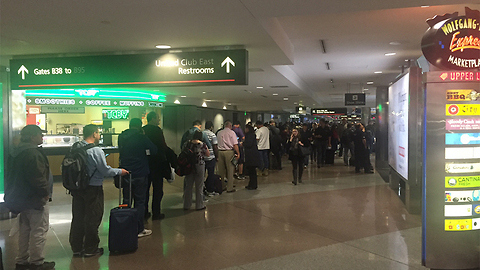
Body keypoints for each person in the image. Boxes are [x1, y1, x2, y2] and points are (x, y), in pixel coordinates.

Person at [68, 124, 128, 258]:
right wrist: (120, 171)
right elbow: (105, 170)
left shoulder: (75, 147)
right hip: (93, 188)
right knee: (92, 217)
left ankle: (76, 247)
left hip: (77, 188)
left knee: (78, 217)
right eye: (98, 133)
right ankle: (90, 248)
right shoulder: (96, 151)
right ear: (94, 134)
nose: (99, 135)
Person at [5, 125, 55, 270]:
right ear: (32, 137)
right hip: (34, 199)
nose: (42, 137)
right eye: (40, 135)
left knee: (24, 230)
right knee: (38, 230)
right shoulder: (33, 154)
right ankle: (37, 262)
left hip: (20, 198)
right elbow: (38, 178)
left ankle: (21, 260)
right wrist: (45, 193)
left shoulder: (16, 152)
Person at [118, 118, 158, 238]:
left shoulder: (122, 136)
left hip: (125, 172)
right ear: (140, 126)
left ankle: (125, 226)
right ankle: (139, 228)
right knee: (140, 201)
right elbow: (154, 150)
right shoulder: (142, 137)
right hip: (140, 172)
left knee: (126, 200)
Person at [142, 111, 169, 220]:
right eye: (157, 118)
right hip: (157, 164)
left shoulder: (143, 130)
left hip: (146, 163)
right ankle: (156, 212)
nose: (158, 120)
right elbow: (163, 146)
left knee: (145, 189)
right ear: (152, 119)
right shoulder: (157, 131)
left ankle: (144, 212)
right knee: (158, 189)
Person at [183, 131, 210, 210]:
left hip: (188, 166)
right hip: (199, 165)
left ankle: (187, 205)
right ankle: (199, 205)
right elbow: (207, 154)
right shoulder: (202, 144)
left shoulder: (187, 144)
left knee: (188, 186)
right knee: (199, 186)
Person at [216, 120, 240, 192]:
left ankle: (222, 186)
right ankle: (230, 188)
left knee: (221, 170)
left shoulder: (219, 133)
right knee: (230, 170)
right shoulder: (232, 133)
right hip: (229, 152)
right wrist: (238, 153)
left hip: (220, 152)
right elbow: (235, 144)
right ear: (230, 126)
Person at [203, 121, 219, 195]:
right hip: (211, 156)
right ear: (211, 127)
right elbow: (215, 146)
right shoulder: (212, 135)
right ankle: (210, 189)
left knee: (202, 174)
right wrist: (217, 156)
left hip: (202, 156)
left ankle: (202, 189)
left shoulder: (201, 134)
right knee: (211, 174)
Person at [243, 124, 260, 190]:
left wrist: (243, 143)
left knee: (252, 171)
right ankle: (252, 184)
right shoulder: (252, 135)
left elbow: (249, 144)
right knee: (252, 171)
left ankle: (253, 184)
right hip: (252, 155)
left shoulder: (249, 136)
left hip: (251, 156)